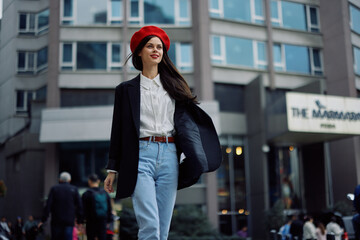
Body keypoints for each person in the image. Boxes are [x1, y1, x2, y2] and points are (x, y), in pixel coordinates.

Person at [104, 25, 222, 240]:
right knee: (150, 225)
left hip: (170, 157)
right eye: (150, 46)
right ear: (139, 51)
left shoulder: (175, 87)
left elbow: (189, 125)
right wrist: (113, 168)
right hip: (140, 156)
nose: (156, 50)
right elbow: (118, 130)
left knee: (162, 228)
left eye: (159, 47)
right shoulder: (125, 89)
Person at [39, 172, 83, 240]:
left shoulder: (54, 189)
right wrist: (80, 221)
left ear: (60, 180)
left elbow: (48, 205)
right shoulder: (74, 189)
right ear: (69, 180)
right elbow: (79, 206)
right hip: (69, 221)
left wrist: (43, 219)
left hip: (56, 221)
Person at [82, 174, 112, 240]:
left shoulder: (87, 194)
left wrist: (81, 221)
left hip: (91, 221)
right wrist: (109, 220)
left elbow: (83, 209)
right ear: (98, 181)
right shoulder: (104, 193)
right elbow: (109, 208)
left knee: (91, 237)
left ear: (89, 181)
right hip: (103, 221)